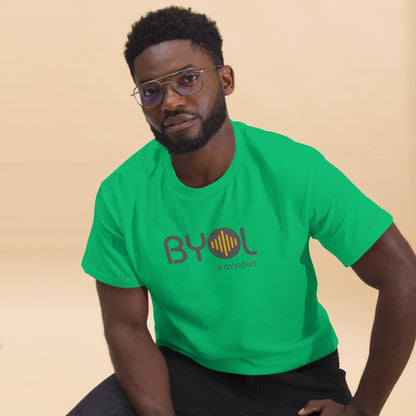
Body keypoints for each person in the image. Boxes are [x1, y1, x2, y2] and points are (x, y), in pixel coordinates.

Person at [67, 6, 416, 416]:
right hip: (185, 373)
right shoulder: (121, 194)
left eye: (188, 79)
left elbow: (403, 276)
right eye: (150, 91)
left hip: (298, 379)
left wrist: (362, 411)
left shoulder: (293, 169)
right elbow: (125, 325)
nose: (171, 101)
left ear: (225, 79)